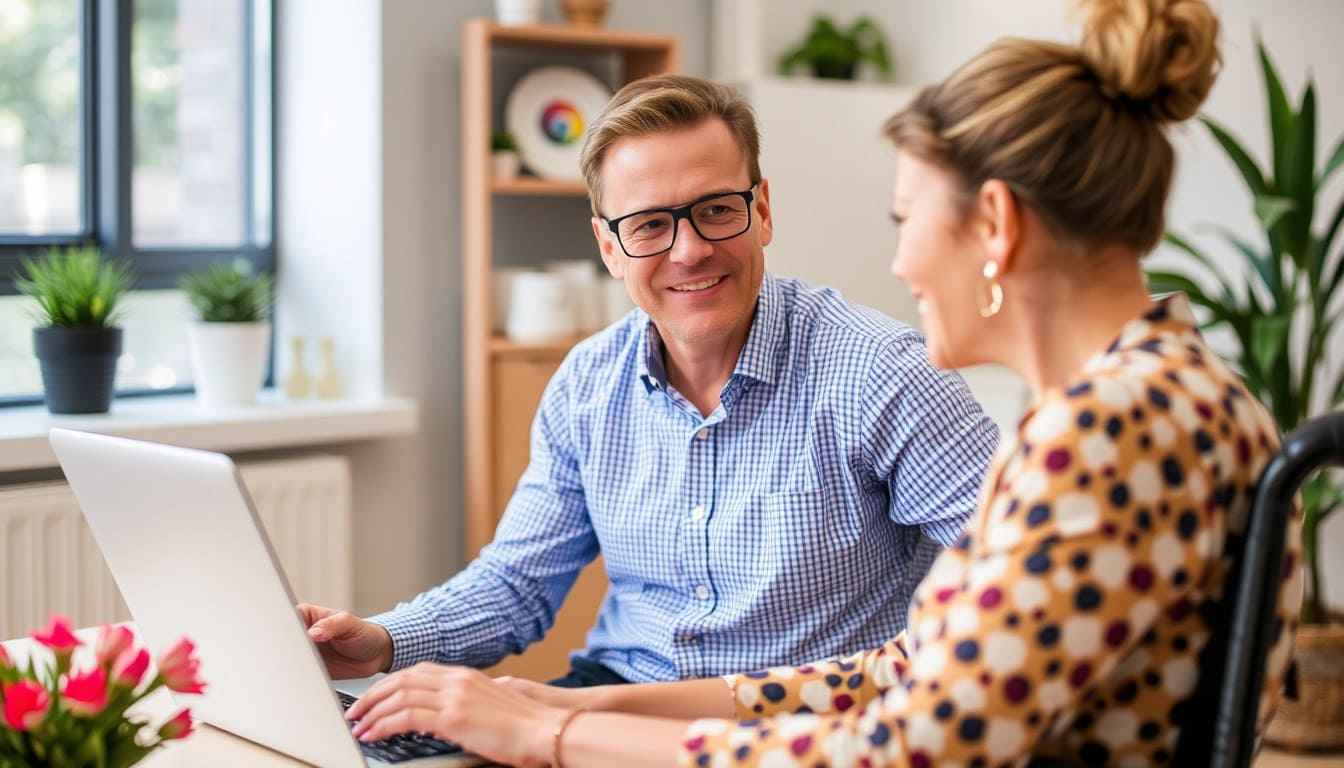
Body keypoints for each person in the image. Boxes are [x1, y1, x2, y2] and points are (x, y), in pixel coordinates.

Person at [340, 0, 1305, 765]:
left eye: (904, 218)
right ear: (609, 243)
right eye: (649, 226)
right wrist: (575, 708)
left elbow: (905, 747)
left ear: (997, 226)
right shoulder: (1164, 395)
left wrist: (552, 735)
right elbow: (908, 672)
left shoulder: (1107, 433)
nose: (901, 265)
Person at [300, 76, 998, 689]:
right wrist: (382, 642)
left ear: (762, 211)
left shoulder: (884, 374)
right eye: (650, 225)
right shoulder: (587, 385)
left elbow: (1013, 580)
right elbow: (515, 587)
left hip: (794, 725)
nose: (689, 249)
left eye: (716, 209)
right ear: (609, 247)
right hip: (618, 698)